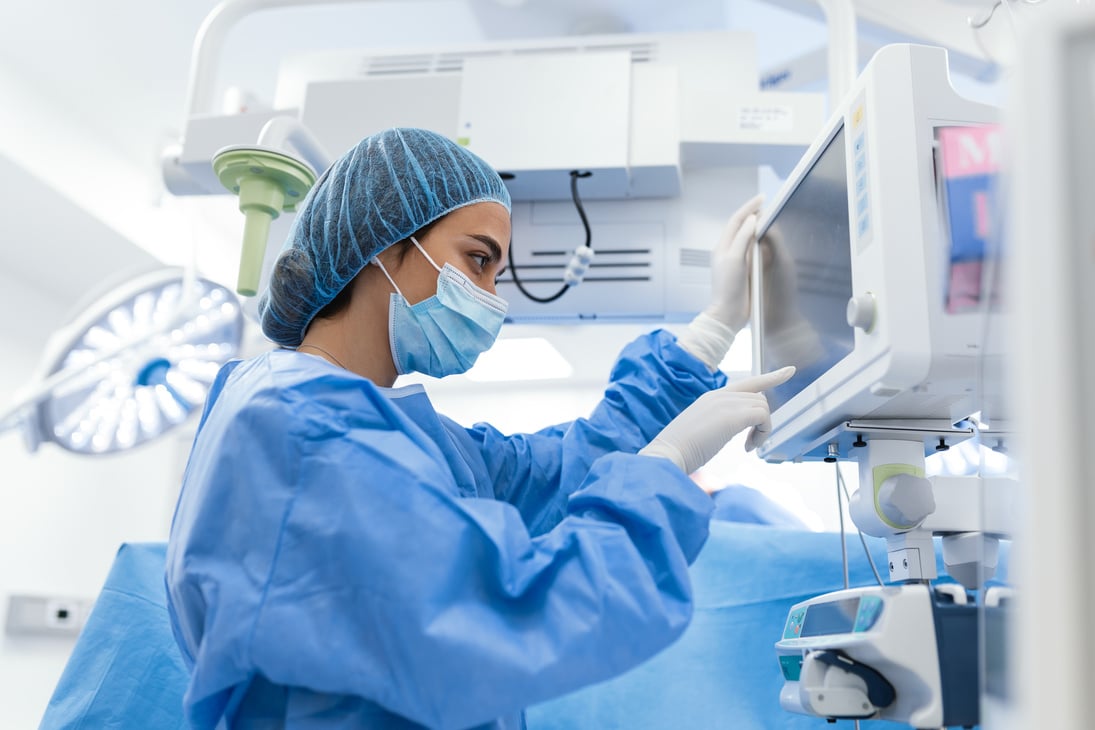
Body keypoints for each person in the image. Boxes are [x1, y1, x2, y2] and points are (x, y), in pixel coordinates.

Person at [165, 127, 793, 730]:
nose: (494, 295)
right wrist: (664, 465)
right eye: (478, 259)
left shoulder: (381, 431)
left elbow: (562, 469)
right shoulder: (302, 430)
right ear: (385, 244)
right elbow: (513, 612)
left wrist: (713, 329)